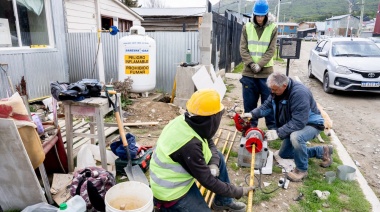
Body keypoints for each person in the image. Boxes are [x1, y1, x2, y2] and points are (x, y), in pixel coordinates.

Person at [149, 89, 254, 212]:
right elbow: (208, 181)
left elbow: (208, 140)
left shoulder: (190, 120)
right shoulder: (189, 145)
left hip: (179, 178)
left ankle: (223, 201)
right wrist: (238, 191)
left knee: (218, 156)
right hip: (171, 193)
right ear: (212, 119)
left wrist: (214, 163)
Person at [242, 72, 333, 182]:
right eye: (271, 89)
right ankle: (322, 151)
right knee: (285, 154)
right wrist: (252, 114)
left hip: (312, 123)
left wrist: (278, 132)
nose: (272, 92)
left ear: (284, 86)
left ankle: (301, 170)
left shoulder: (299, 94)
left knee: (296, 137)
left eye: (274, 89)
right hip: (295, 123)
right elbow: (267, 106)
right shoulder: (277, 91)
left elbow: (299, 122)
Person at [239, 0, 277, 130]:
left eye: (262, 16)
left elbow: (271, 50)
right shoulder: (247, 27)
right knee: (249, 104)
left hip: (266, 73)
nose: (260, 18)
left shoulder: (273, 28)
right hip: (249, 73)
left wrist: (260, 65)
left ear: (267, 15)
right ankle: (250, 128)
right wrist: (251, 63)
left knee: (269, 103)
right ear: (253, 14)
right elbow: (243, 49)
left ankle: (272, 129)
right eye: (257, 15)